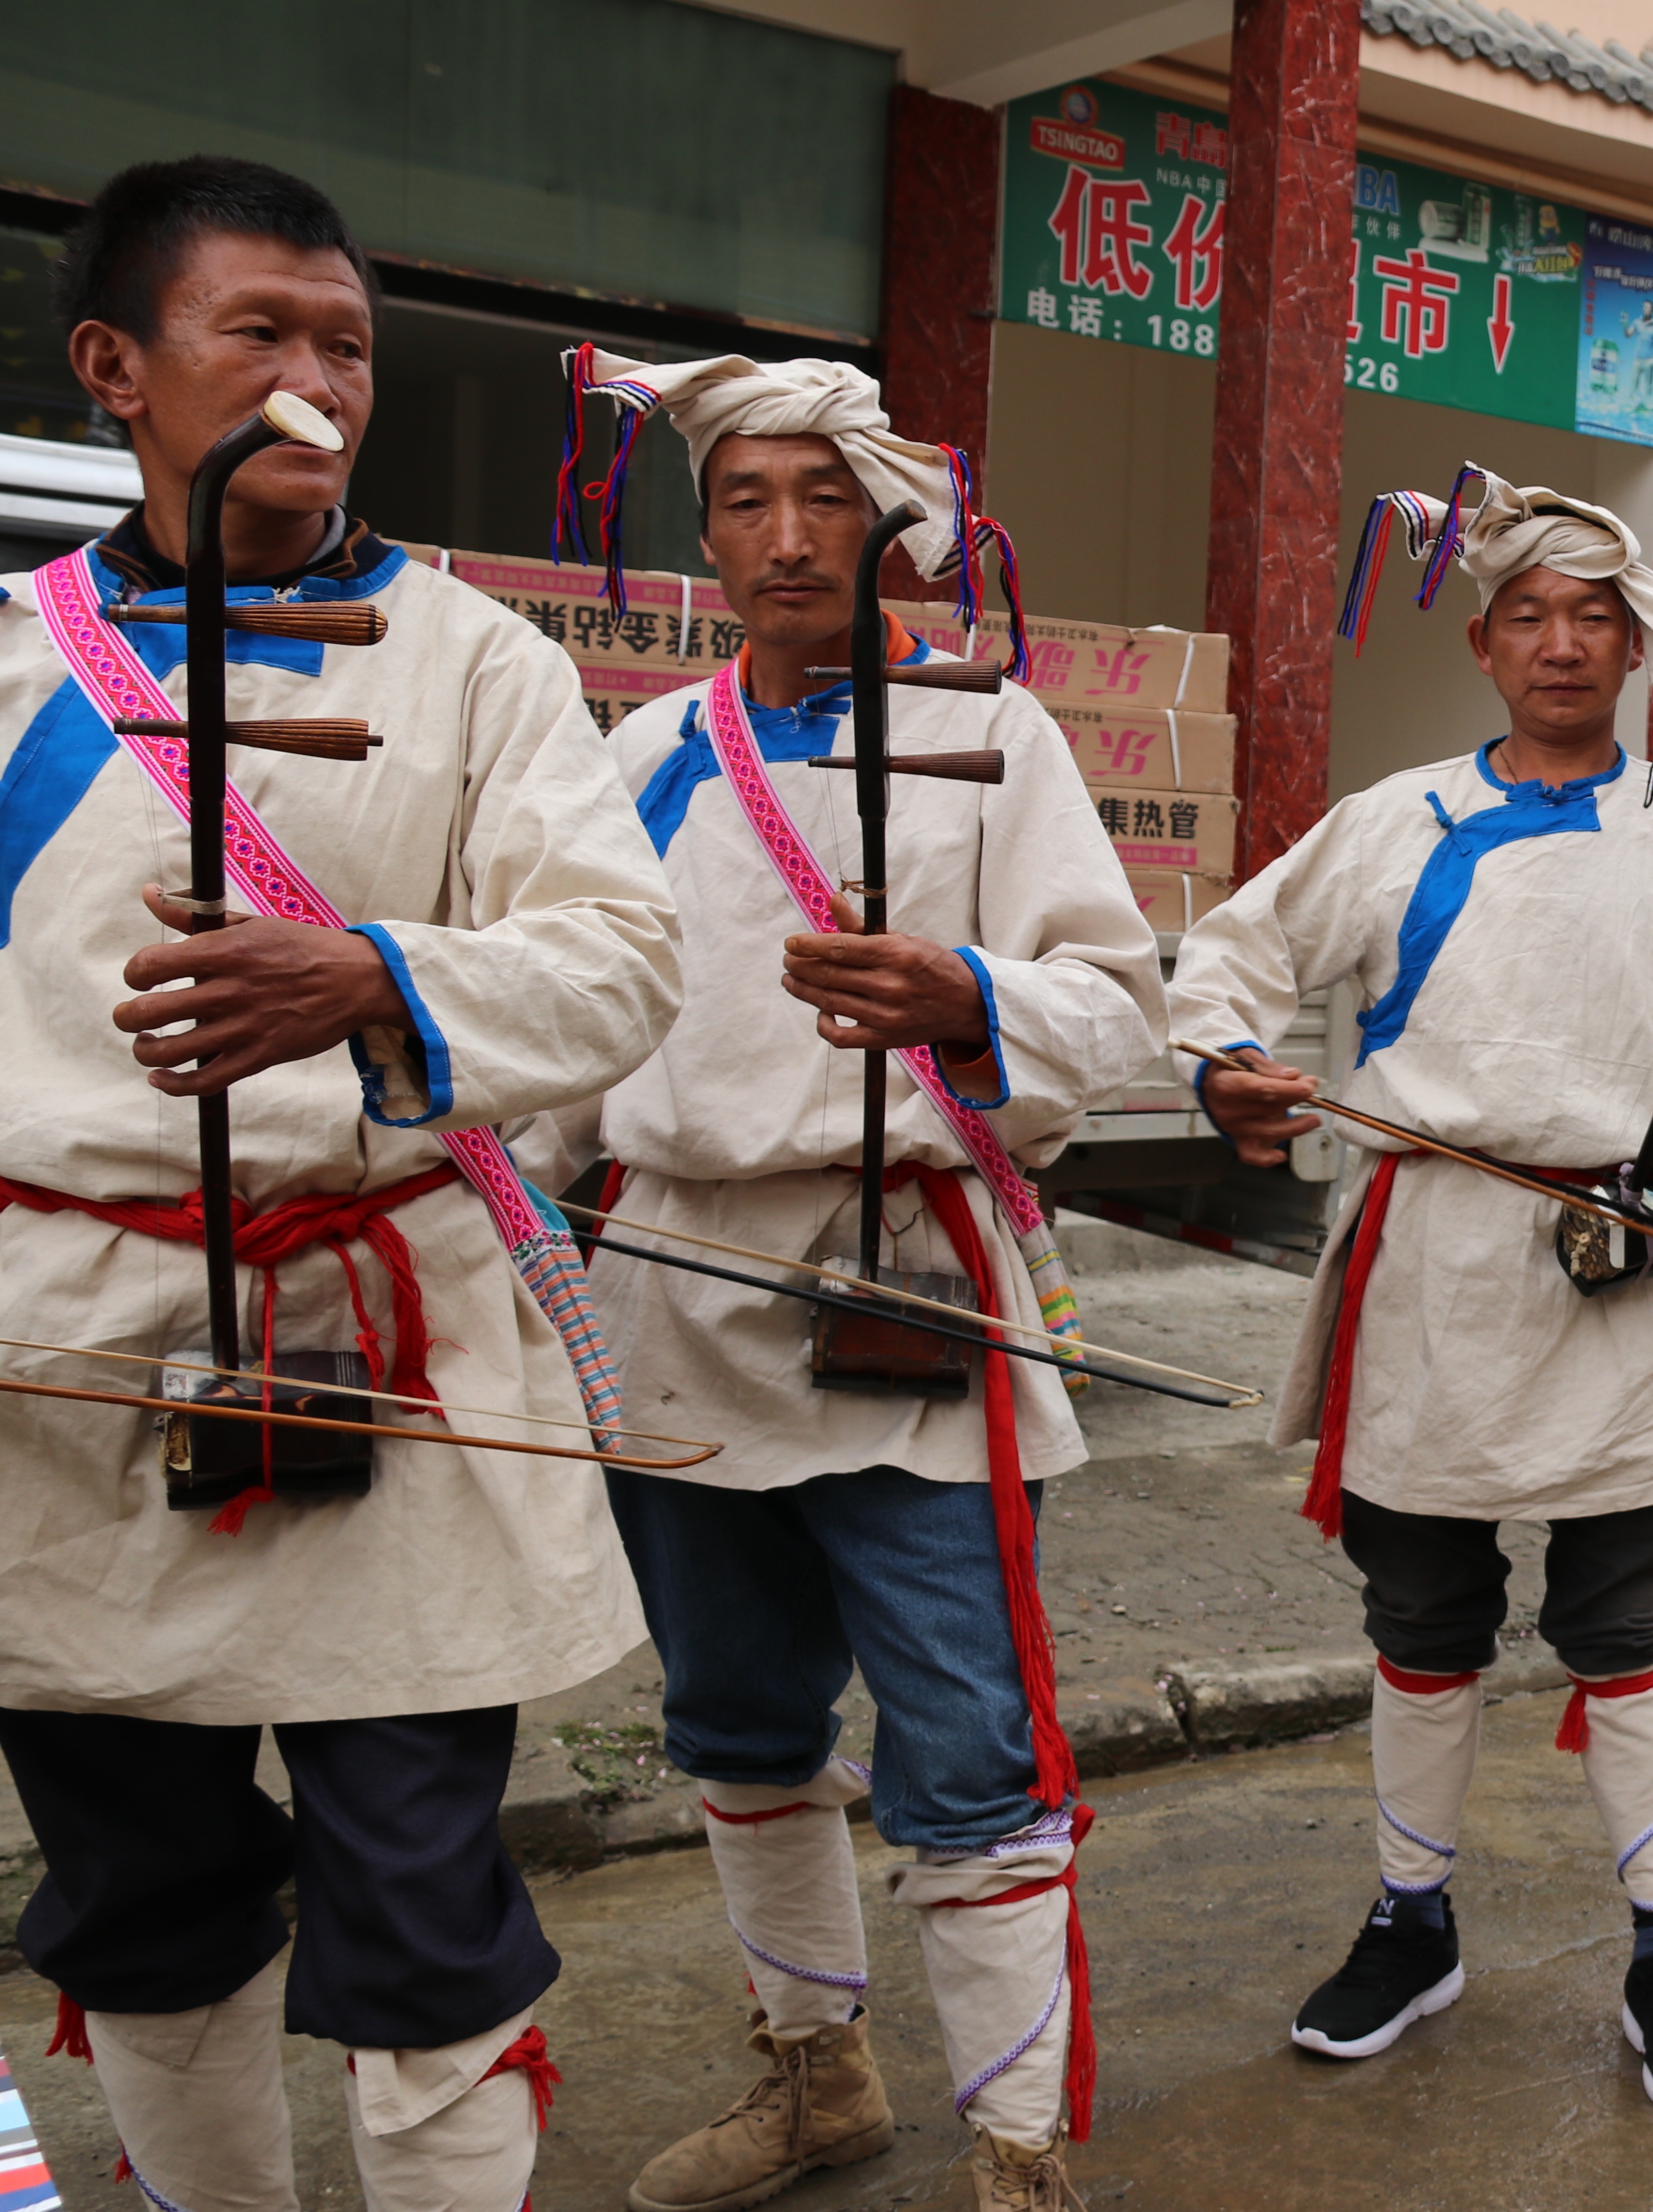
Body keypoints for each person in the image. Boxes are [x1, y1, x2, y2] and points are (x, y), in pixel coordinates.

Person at [0, 159, 683, 2211]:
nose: (318, 381)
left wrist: (377, 970)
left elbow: (622, 954)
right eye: (261, 335)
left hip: (394, 1341)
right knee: (139, 1877)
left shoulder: (476, 657)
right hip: (68, 1366)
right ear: (116, 365)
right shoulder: (12, 662)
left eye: (349, 344)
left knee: (419, 1883)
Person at [518, 350, 1170, 2212]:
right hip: (673, 1292)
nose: (789, 536)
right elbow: (566, 1039)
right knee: (731, 1721)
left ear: (895, 521)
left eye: (827, 497)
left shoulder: (993, 734)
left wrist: (971, 999)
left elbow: (1118, 1012)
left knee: (969, 1748)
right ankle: (817, 2079)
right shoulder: (637, 761)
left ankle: (1020, 2155)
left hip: (907, 1294)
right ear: (707, 531)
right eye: (747, 500)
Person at [1169, 468, 1653, 2115]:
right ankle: (1410, 1921)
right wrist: (1225, 1065)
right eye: (1530, 614)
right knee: (1421, 1621)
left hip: (1630, 1277)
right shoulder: (1396, 817)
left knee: (1626, 1628)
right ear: (1484, 639)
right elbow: (1230, 958)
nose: (1564, 642)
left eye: (1596, 614)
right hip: (1435, 1268)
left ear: (1635, 643)